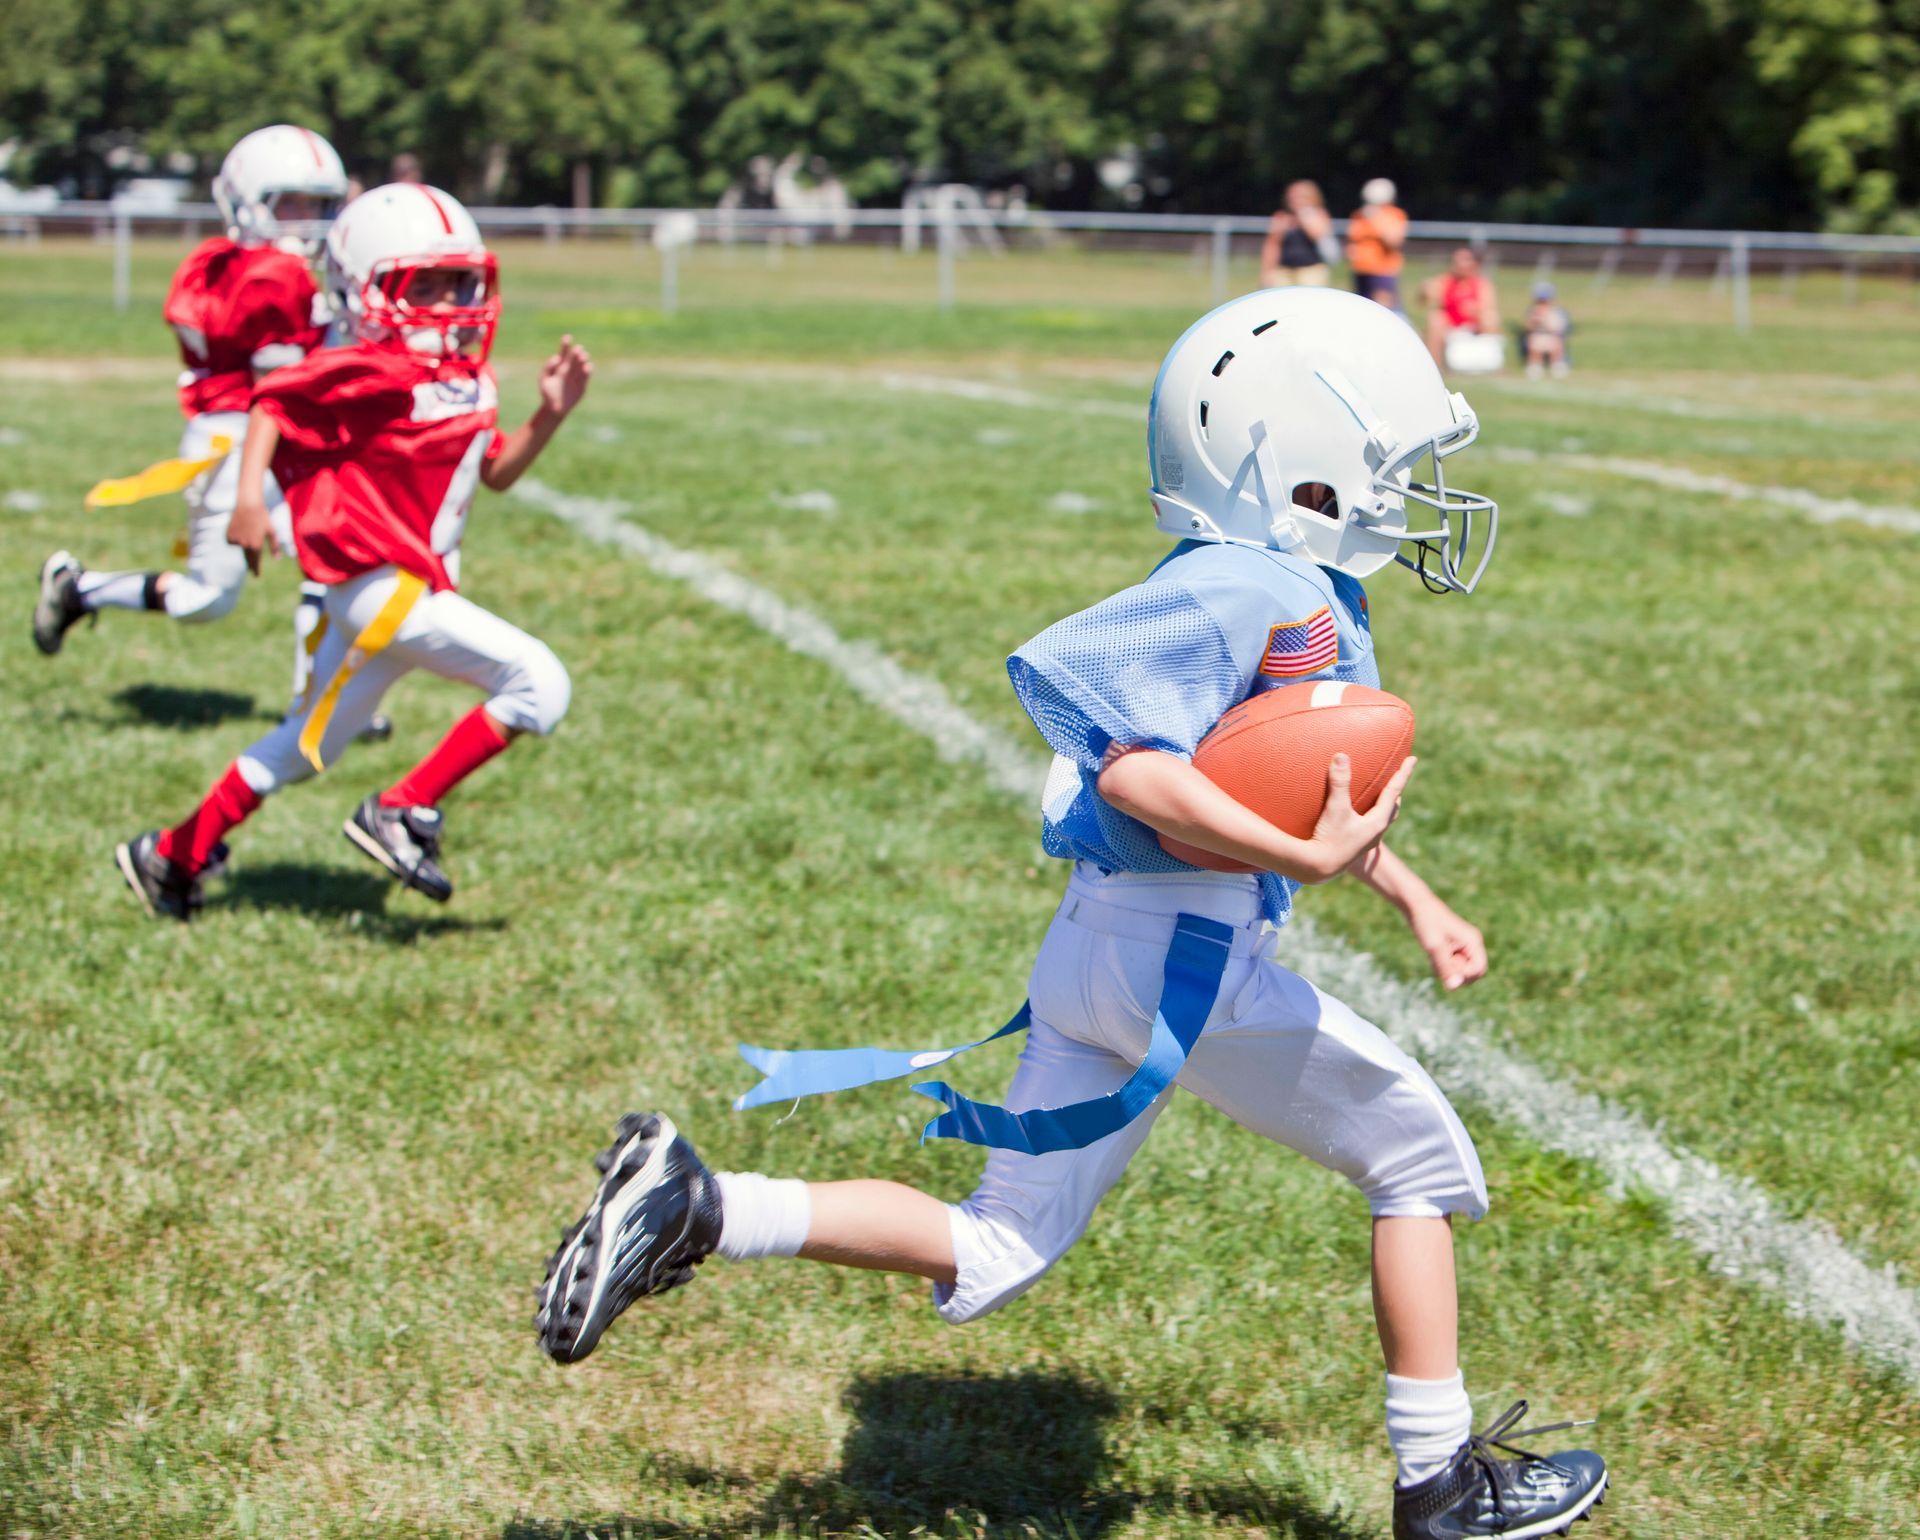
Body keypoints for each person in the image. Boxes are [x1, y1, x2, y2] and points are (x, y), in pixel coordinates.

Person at [532, 290, 1609, 1540]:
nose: (1411, 487)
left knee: (995, 1247)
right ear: (1298, 456)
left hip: (1107, 945)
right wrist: (1295, 859)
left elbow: (1295, 797)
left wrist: (1414, 897)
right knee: (1416, 1158)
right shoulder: (1236, 582)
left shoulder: (1291, 586)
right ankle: (1441, 1483)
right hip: (1179, 959)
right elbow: (1134, 771)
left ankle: (702, 1203)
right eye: (1391, 459)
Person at [113, 183, 592, 922]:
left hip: (402, 590)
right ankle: (400, 810)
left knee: (305, 750)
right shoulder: (373, 367)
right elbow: (273, 400)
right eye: (420, 284)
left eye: (457, 281)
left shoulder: (461, 378)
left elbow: (492, 473)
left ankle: (172, 855)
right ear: (365, 291)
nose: (447, 301)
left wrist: (551, 416)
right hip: (382, 588)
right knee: (540, 684)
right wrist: (247, 501)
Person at [33, 125, 350, 714]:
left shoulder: (238, 264)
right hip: (242, 442)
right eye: (293, 204)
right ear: (250, 202)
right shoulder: (269, 277)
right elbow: (278, 392)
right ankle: (80, 589)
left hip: (259, 433)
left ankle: (326, 705)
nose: (308, 218)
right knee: (206, 600)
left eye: (317, 204)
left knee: (330, 553)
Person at [1420, 248, 1502, 372]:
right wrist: (1424, 290)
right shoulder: (1445, 281)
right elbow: (1424, 300)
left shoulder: (1481, 285)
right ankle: (1435, 368)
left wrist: (1476, 311)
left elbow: (1489, 310)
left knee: (1490, 319)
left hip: (1474, 326)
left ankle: (1491, 360)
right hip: (1450, 324)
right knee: (1435, 319)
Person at [1259, 180, 1339, 288]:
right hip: (1284, 271)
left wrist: (1306, 218)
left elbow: (1321, 237)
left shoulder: (1319, 214)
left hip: (1311, 271)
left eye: (1299, 196)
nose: (1294, 199)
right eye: (1292, 196)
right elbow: (1272, 245)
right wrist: (1267, 271)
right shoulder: (1282, 217)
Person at [1348, 177, 1409, 308]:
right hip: (1361, 270)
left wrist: (1376, 219)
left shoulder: (1394, 215)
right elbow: (1353, 239)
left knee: (1384, 309)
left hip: (1382, 271)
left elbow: (1393, 242)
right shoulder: (1359, 215)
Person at [1523, 283, 1572, 378]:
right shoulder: (1532, 311)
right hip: (1538, 335)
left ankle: (1557, 364)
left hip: (1552, 336)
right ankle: (1535, 365)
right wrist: (1535, 321)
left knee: (1556, 343)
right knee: (1535, 342)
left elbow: (1560, 328)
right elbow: (1527, 327)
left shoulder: (1557, 311)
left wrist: (1546, 321)